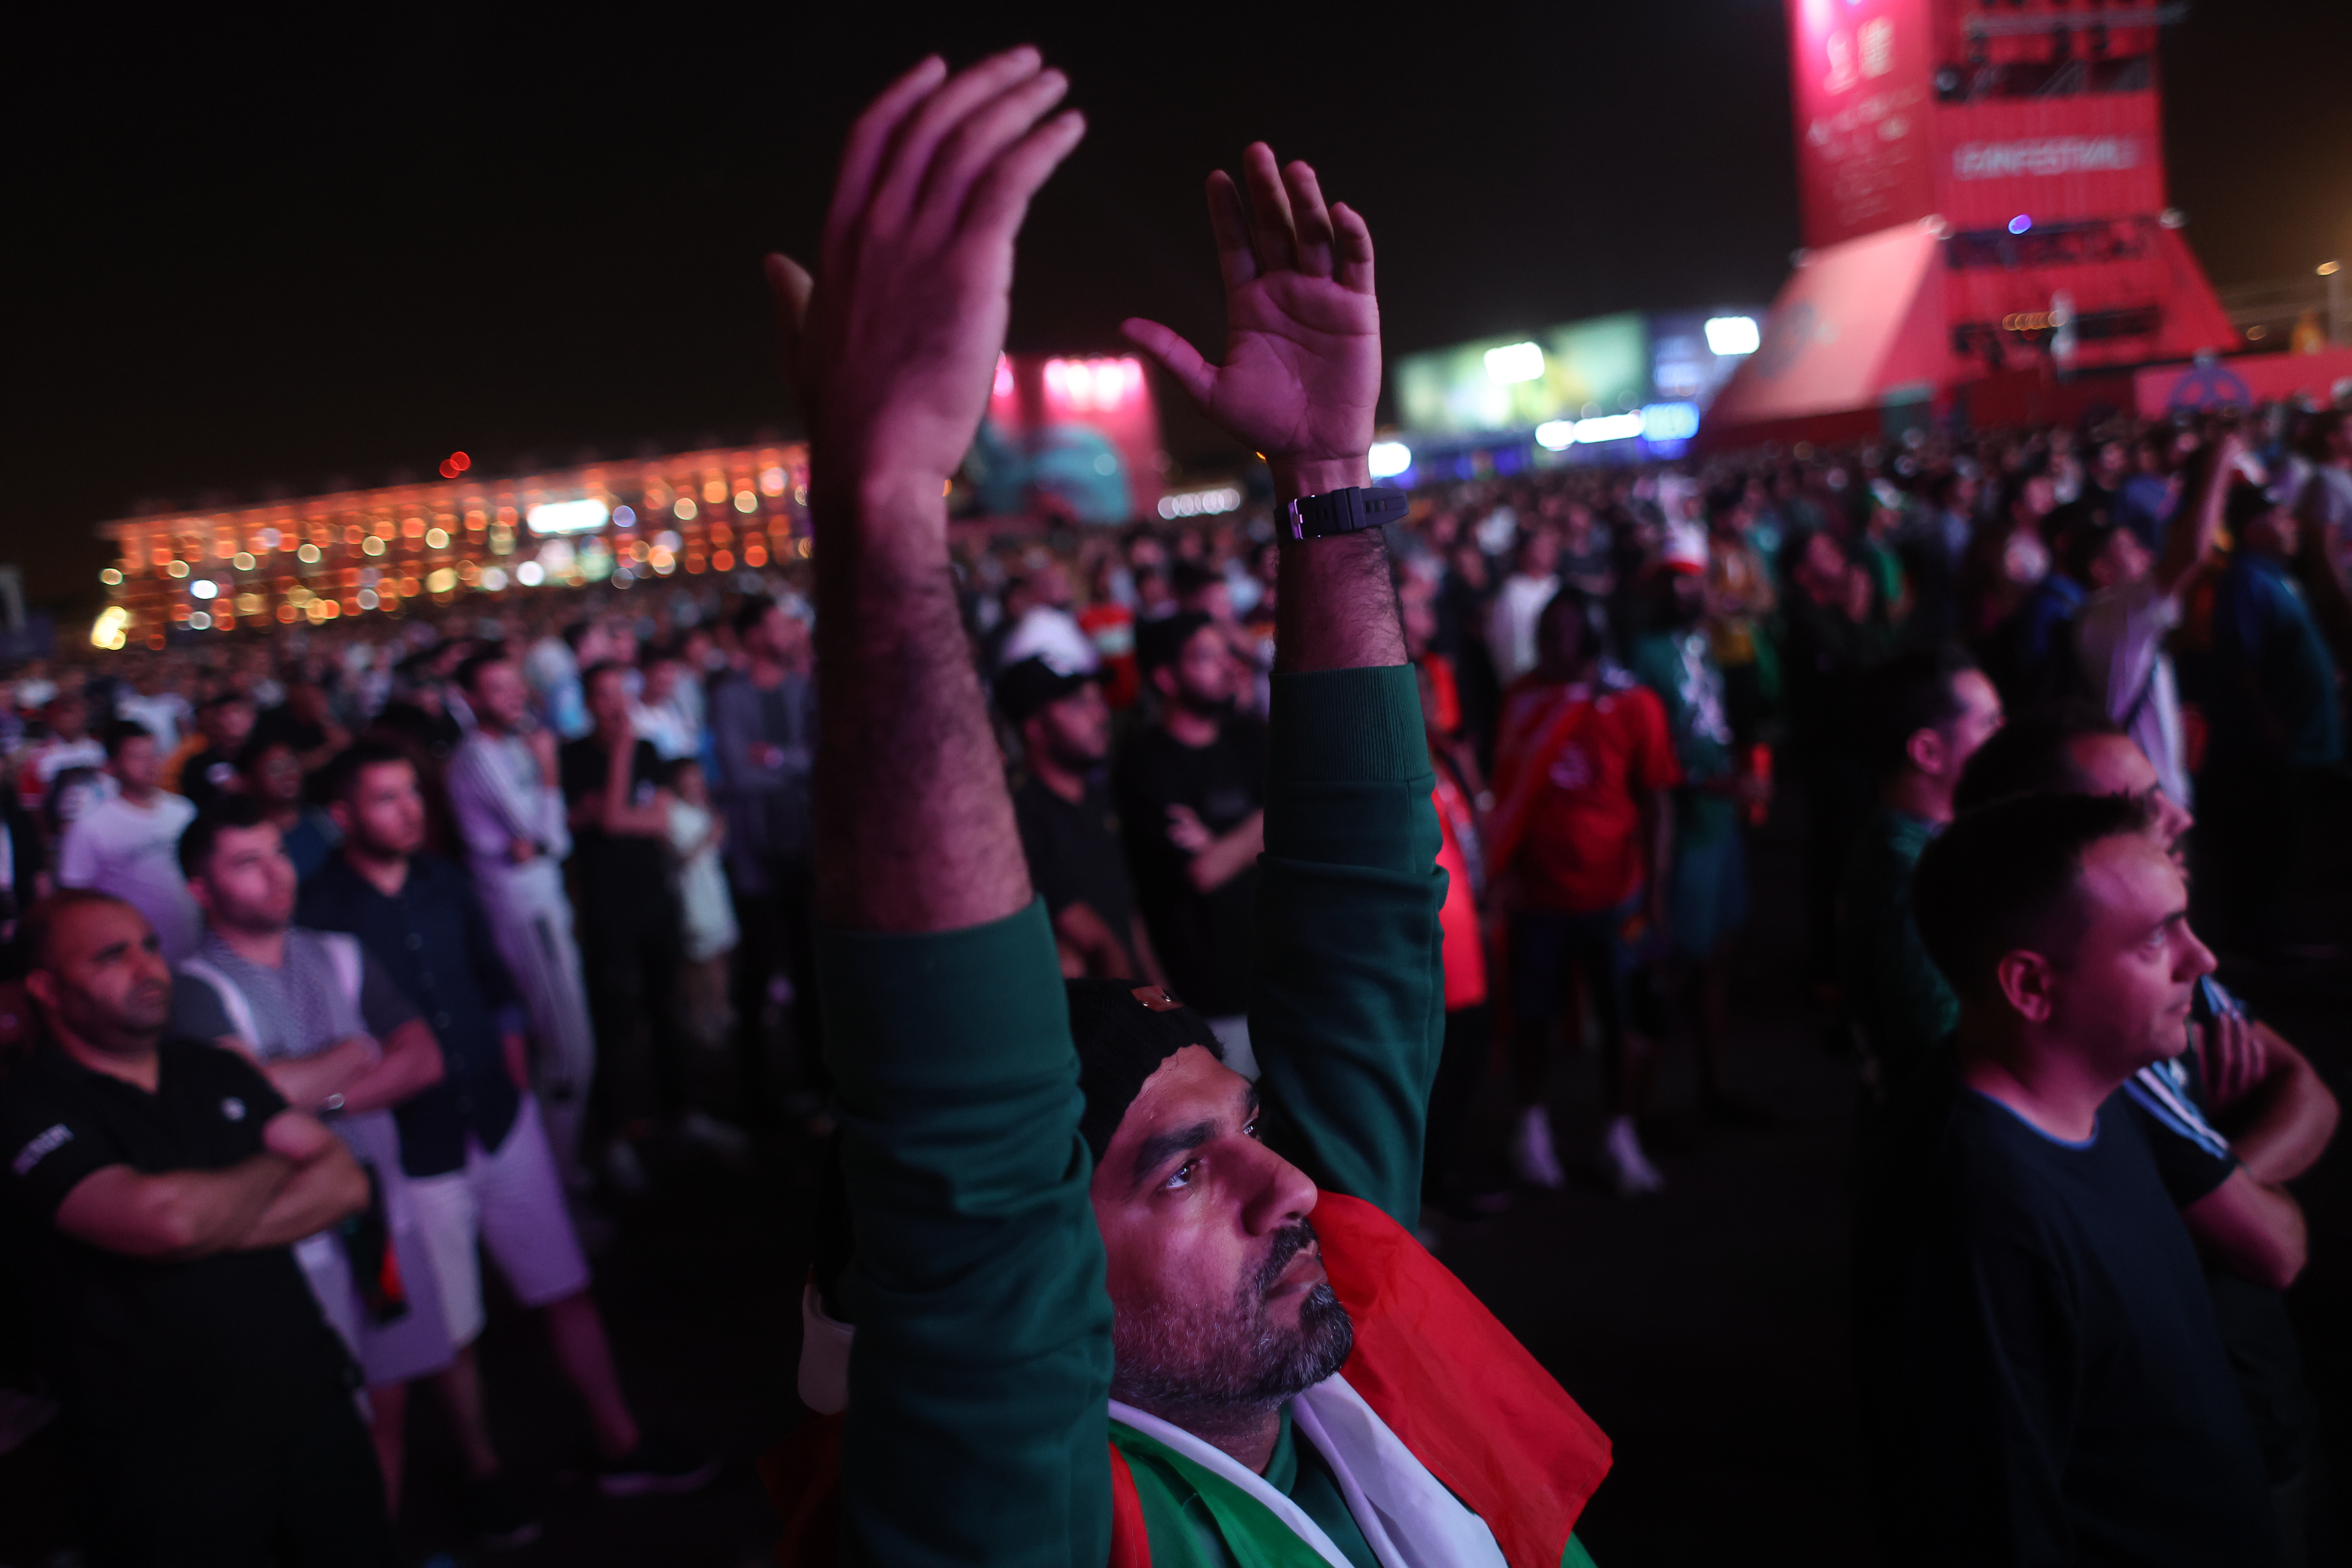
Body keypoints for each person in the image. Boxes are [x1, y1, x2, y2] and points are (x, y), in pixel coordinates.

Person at [764, 64, 1608, 1564]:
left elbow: (1360, 929)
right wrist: (886, 503)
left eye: (1241, 1128)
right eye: (1172, 1166)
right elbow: (960, 1144)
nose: (1292, 1187)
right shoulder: (1036, 1521)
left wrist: (1328, 484)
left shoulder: (1341, 1340)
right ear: (1032, 1286)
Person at [1952, 704, 2339, 1557]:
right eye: (2137, 802)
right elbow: (2275, 1244)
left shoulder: (2108, 1040)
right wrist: (2221, 1174)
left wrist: (2216, 1171)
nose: (2202, 961)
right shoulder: (2021, 1160)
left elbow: (2312, 1090)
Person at [1855, 792, 2281, 1564]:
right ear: (2031, 986)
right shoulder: (1984, 1214)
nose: (2203, 957)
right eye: (2156, 938)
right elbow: (1990, 1526)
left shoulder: (2097, 1092)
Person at [299, 744, 715, 1534]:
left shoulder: (444, 879)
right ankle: (484, 1467)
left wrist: (514, 1062)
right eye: (386, 799)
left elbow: (493, 980)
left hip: (495, 1116)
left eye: (412, 794)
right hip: (418, 1148)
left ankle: (619, 1439)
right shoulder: (323, 914)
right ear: (345, 816)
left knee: (563, 1282)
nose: (411, 810)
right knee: (450, 1325)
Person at [0, 890, 391, 1564]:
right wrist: (274, 1161)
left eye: (150, 946)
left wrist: (210, 1219)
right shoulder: (26, 1103)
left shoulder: (209, 1067)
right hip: (171, 1467)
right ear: (47, 989)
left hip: (314, 1416)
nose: (147, 967)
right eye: (111, 956)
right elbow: (169, 1224)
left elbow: (346, 1183)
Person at [168, 797, 461, 1507]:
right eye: (246, 863)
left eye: (277, 853)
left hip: (380, 1224)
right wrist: (358, 1052)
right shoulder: (192, 991)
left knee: (389, 1395)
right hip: (292, 1251)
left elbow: (422, 1060)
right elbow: (247, 1100)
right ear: (201, 891)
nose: (276, 875)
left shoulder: (339, 951)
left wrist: (318, 1095)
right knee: (322, 1426)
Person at [1488, 590, 1679, 1195]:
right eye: (1542, 633)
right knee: (1533, 1018)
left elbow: (1656, 801)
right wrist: (1506, 871)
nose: (1546, 647)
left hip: (1616, 897)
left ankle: (1620, 1134)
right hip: (1540, 899)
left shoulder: (1632, 705)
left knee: (1623, 1019)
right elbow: (1508, 786)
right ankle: (1532, 1129)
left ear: (1593, 641)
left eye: (1560, 634)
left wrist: (1655, 893)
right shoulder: (1522, 698)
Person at [445, 648, 598, 1185]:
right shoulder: (478, 757)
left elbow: (546, 839)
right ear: (468, 699)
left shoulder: (512, 745)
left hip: (542, 902)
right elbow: (545, 832)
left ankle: (562, 1175)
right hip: (526, 914)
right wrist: (551, 774)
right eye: (497, 688)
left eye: (517, 686)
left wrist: (542, 837)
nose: (513, 697)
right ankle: (559, 1185)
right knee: (569, 1055)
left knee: (564, 1052)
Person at [1835, 649, 2004, 1102]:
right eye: (1990, 723)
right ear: (1928, 751)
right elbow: (1938, 1033)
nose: (2005, 737)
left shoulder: (1919, 842)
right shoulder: (1908, 870)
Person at [1628, 556, 1763, 1118]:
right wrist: (1718, 781)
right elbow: (1649, 761)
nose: (1689, 590)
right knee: (1673, 964)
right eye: (1675, 582)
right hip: (1684, 829)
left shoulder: (1704, 644)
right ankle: (1640, 1112)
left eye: (1694, 579)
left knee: (1718, 958)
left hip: (1719, 821)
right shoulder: (1645, 657)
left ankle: (1712, 1085)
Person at [1115, 610, 1266, 1070]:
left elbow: (1306, 832)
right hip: (1206, 999)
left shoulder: (1251, 740)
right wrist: (1271, 819)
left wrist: (1226, 843)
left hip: (1279, 980)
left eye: (1227, 652)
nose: (1228, 666)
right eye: (1206, 656)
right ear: (1165, 677)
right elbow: (1205, 870)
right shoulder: (1144, 763)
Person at [2203, 479, 2345, 956]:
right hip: (2274, 747)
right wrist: (2268, 720)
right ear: (2252, 528)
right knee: (2265, 841)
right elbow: (2241, 661)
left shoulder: (2276, 573)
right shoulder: (2245, 578)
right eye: (2280, 518)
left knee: (2289, 840)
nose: (2291, 526)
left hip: (2305, 737)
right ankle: (2261, 943)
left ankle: (2273, 933)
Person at [561, 660, 683, 1186]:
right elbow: (613, 819)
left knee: (667, 1013)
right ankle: (615, 1139)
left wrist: (617, 814)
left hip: (654, 899)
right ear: (588, 704)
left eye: (621, 693)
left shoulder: (653, 752)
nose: (616, 706)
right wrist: (624, 765)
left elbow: (661, 820)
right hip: (607, 911)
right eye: (604, 696)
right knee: (612, 1027)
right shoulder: (574, 758)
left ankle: (681, 1114)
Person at [2073, 430, 2233, 813]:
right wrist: (2221, 460)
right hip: (2149, 808)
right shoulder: (2114, 614)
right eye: (2130, 547)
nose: (2146, 553)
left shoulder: (2108, 618)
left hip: (2152, 799)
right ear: (2101, 570)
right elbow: (2192, 553)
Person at [709, 593, 820, 1130]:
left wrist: (777, 758)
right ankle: (756, 1096)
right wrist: (795, 767)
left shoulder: (801, 688)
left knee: (810, 968)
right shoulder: (730, 697)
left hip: (803, 846)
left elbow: (816, 758)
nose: (788, 632)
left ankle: (818, 1083)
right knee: (757, 973)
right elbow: (737, 774)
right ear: (753, 636)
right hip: (757, 853)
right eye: (777, 625)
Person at [998, 655, 1160, 982]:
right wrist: (1150, 1018)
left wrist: (1173, 1010)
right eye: (1077, 705)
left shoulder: (1098, 796)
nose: (1100, 715)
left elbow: (1128, 921)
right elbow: (1102, 944)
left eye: (1098, 700)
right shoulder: (1019, 817)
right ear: (1035, 729)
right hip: (1098, 1015)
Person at [55, 720, 202, 965]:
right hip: (135, 956)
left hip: (193, 945)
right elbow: (74, 896)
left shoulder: (184, 812)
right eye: (137, 757)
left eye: (154, 754)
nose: (151, 764)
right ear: (112, 767)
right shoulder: (92, 827)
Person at [661, 756, 739, 1048]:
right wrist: (710, 836)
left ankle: (721, 1010)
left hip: (715, 891)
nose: (695, 783)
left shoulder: (704, 806)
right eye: (689, 777)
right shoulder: (671, 811)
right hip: (693, 895)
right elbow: (680, 854)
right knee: (698, 960)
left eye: (698, 777)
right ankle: (698, 1016)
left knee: (720, 954)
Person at [237, 733, 340, 880]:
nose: (288, 775)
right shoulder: (247, 842)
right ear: (249, 781)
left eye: (292, 765)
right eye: (275, 769)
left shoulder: (326, 822)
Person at [1486, 525, 1561, 684]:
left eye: (1551, 547)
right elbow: (1510, 649)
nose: (1549, 552)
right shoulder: (1513, 594)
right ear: (1525, 553)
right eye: (1541, 548)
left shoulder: (1557, 586)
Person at [164, 689, 256, 814]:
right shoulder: (197, 763)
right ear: (215, 721)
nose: (233, 719)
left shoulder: (263, 757)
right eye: (225, 714)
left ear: (252, 718)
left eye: (238, 712)